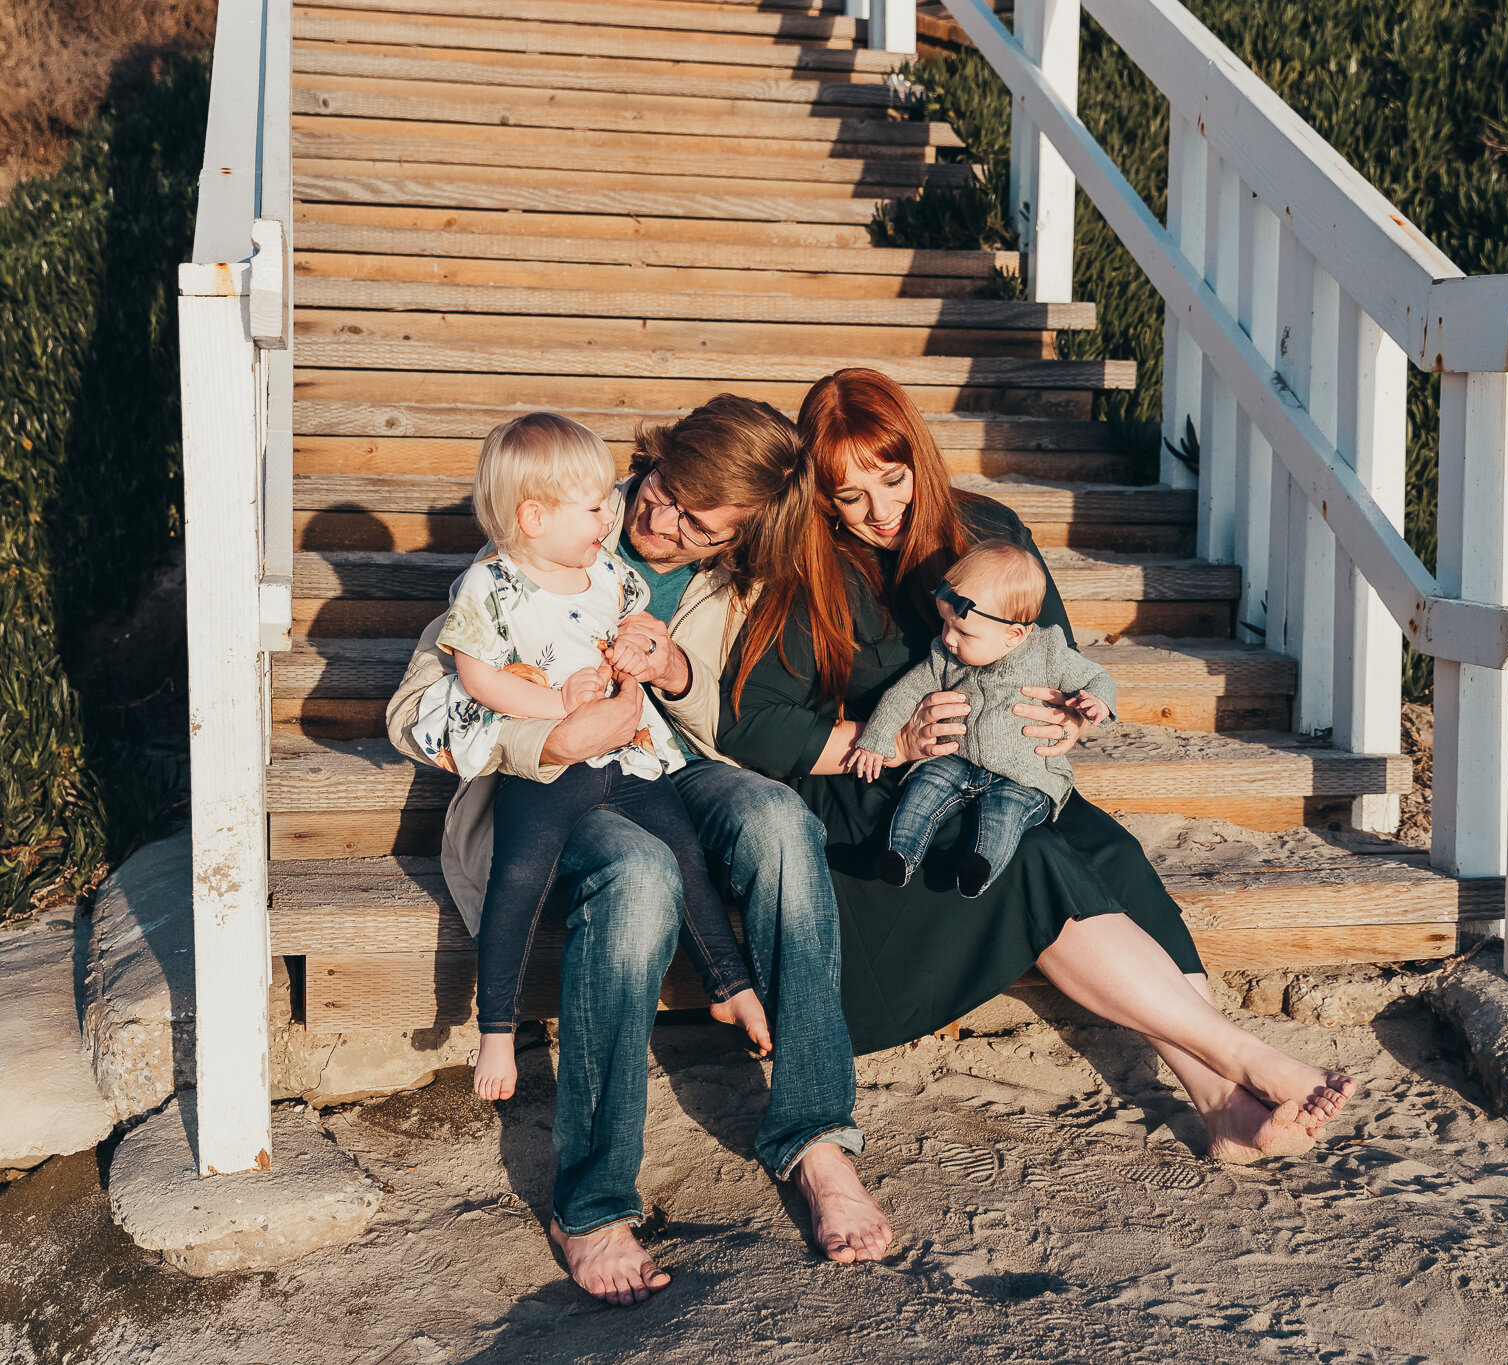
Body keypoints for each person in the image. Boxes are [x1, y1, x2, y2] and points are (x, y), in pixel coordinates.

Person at [721, 368, 1357, 1163]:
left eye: (892, 479)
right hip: (885, 821)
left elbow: (1055, 660)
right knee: (1036, 860)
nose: (882, 511)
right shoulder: (807, 572)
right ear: (820, 495)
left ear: (918, 455)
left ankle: (1220, 1108)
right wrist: (888, 740)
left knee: (1113, 854)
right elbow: (748, 721)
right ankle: (1244, 1060)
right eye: (851, 496)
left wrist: (1063, 720)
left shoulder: (987, 531)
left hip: (1008, 781)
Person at [386, 396, 893, 1305]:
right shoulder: (556, 517)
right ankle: (590, 1203)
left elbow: (738, 719)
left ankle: (818, 1140)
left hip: (678, 765)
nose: (660, 521)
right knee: (639, 875)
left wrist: (677, 672)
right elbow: (416, 707)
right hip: (564, 782)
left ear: (736, 538)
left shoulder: (737, 580)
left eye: (698, 526)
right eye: (661, 491)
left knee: (780, 822)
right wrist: (550, 733)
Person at [408, 412, 764, 1102]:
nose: (614, 514)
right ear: (534, 517)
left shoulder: (604, 569)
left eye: (610, 500)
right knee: (519, 876)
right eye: (597, 505)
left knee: (682, 850)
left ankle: (729, 981)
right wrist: (559, 716)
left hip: (628, 757)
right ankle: (498, 1028)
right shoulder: (494, 583)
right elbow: (477, 678)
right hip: (546, 768)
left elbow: (635, 620)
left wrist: (638, 647)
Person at [851, 540, 1115, 896]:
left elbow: (1097, 677)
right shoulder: (943, 657)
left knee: (1005, 813)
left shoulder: (1050, 653)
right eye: (945, 623)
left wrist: (1096, 701)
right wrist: (877, 738)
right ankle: (900, 854)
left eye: (963, 632)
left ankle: (980, 867)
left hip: (1023, 771)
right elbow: (903, 694)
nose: (947, 638)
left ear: (1013, 635)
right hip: (954, 757)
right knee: (923, 790)